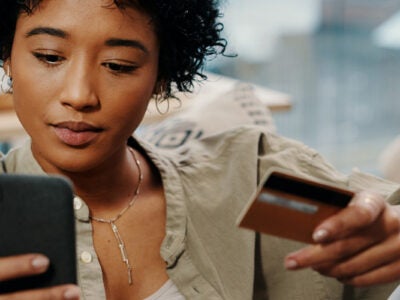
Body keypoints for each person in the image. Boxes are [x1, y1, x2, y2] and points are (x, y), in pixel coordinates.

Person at [1, 1, 400, 299]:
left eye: (119, 65)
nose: (79, 95)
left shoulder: (248, 183)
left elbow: (380, 220)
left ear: (161, 77)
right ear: (7, 60)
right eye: (49, 57)